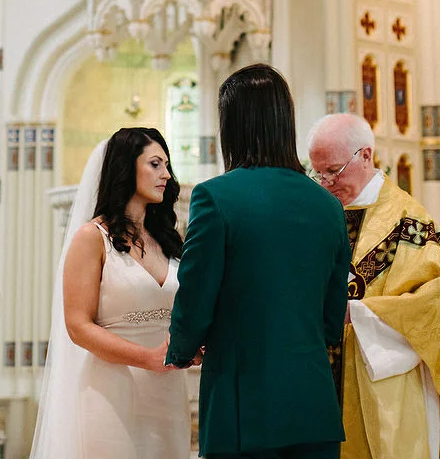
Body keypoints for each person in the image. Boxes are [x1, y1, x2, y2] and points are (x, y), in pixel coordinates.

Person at [167, 64, 352, 459]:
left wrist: (182, 350)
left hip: (244, 408)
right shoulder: (328, 205)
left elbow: (195, 294)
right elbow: (333, 320)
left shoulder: (215, 197)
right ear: (285, 121)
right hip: (313, 405)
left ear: (231, 125)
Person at [306, 114, 440, 459]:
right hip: (321, 379)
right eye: (318, 173)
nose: (326, 182)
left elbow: (432, 305)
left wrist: (356, 313)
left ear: (365, 155)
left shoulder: (409, 221)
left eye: (334, 170)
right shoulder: (317, 216)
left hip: (386, 380)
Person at [30, 126, 187, 459]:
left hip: (168, 390)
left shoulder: (168, 240)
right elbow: (77, 326)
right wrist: (147, 358)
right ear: (126, 168)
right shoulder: (92, 238)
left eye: (167, 165)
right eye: (155, 164)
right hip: (112, 391)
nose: (166, 175)